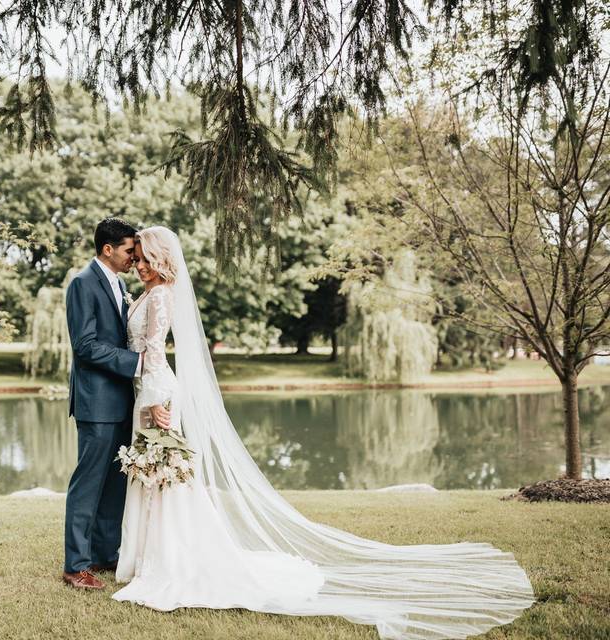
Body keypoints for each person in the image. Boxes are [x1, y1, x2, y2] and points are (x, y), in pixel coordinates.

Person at [110, 225, 535, 640]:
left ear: (163, 259)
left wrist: (158, 404)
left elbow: (152, 350)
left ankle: (171, 561)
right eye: (140, 258)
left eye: (148, 259)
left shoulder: (162, 295)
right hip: (145, 388)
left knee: (164, 476)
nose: (142, 265)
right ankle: (153, 557)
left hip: (157, 391)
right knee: (157, 476)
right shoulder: (146, 293)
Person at [61, 217, 170, 590]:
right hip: (96, 402)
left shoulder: (120, 284)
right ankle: (76, 566)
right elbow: (86, 345)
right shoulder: (82, 283)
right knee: (88, 485)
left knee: (114, 485)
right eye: (128, 251)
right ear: (108, 249)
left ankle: (105, 555)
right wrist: (138, 362)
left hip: (125, 399)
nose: (133, 259)